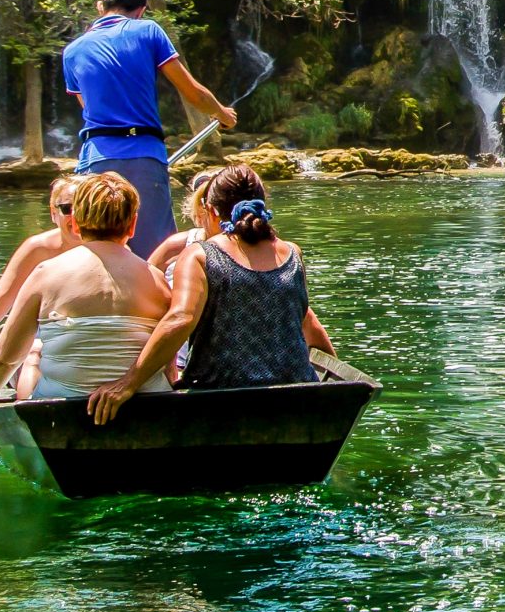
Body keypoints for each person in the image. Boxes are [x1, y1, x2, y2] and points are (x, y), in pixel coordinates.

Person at [83, 164, 332, 424]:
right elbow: (303, 319)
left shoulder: (200, 255)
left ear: (212, 211)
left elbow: (180, 320)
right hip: (296, 392)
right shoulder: (293, 252)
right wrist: (338, 380)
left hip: (217, 396)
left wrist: (128, 382)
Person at [63, 0, 236, 259]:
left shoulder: (71, 51)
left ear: (100, 6)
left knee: (97, 245)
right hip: (142, 154)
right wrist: (222, 113)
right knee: (156, 252)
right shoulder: (148, 31)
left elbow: (88, 109)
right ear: (141, 10)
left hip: (95, 158)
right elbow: (192, 92)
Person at [0, 174, 172, 409]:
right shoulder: (158, 280)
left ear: (75, 223)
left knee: (35, 354)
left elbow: (4, 357)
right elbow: (169, 363)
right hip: (148, 407)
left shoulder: (46, 273)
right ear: (133, 226)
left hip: (60, 410)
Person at [0, 174, 83, 378]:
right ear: (53, 213)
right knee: (34, 353)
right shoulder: (37, 249)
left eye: (85, 209)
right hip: (45, 334)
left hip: (90, 334)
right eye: (67, 209)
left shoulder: (113, 247)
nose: (77, 217)